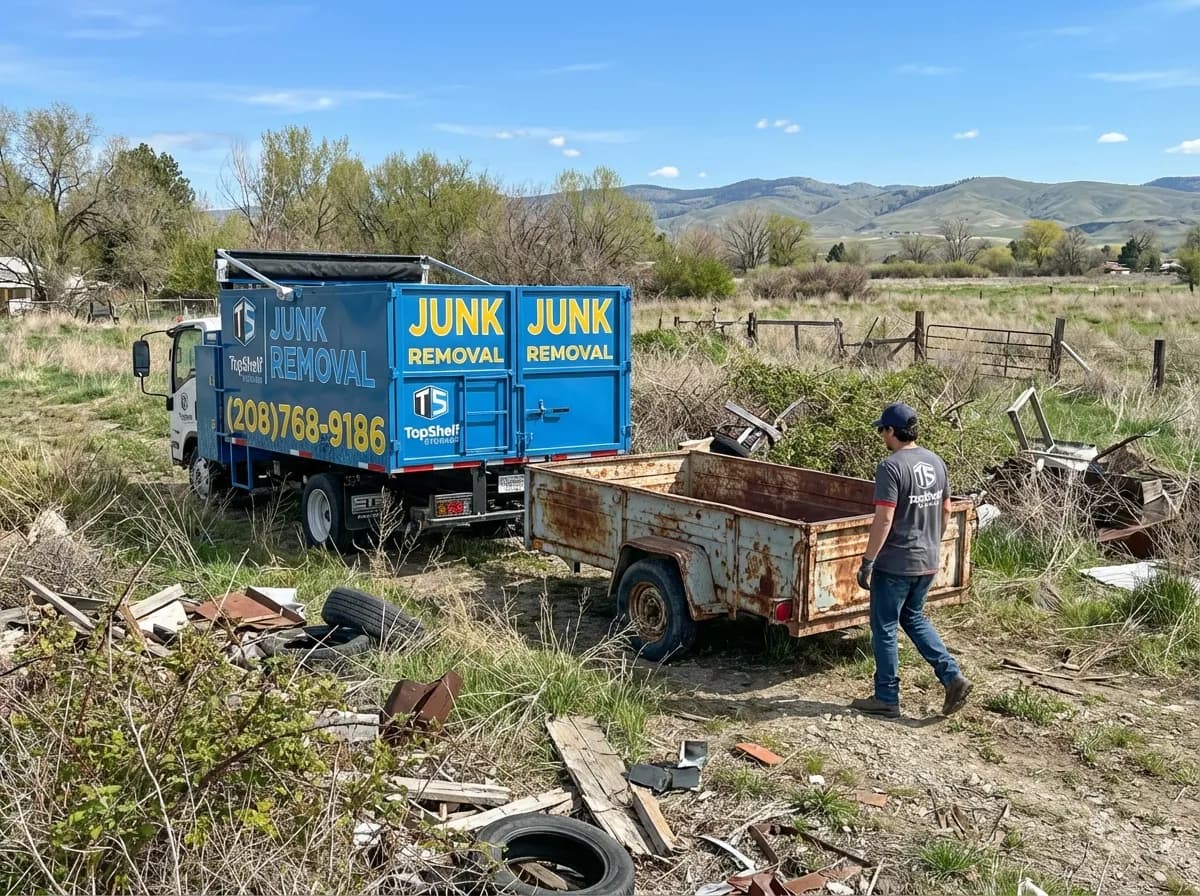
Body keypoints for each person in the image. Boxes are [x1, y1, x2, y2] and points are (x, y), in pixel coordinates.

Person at [849, 402, 972, 719]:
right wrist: (931, 543)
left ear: (891, 430)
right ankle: (952, 677)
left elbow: (884, 518)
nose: (881, 436)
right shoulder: (936, 461)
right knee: (914, 618)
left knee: (885, 627)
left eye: (882, 430)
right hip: (927, 560)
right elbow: (946, 509)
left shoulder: (890, 467)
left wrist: (868, 560)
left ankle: (886, 697)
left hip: (896, 563)